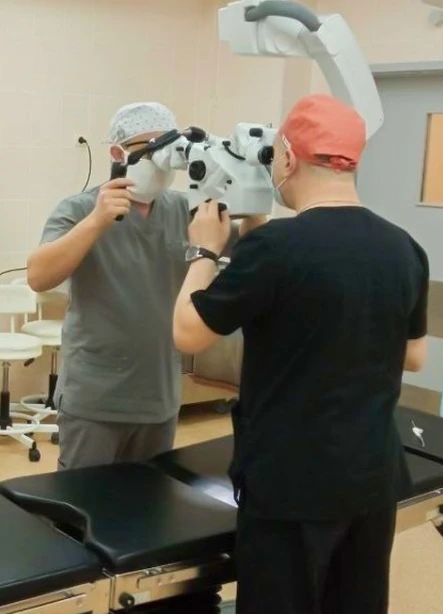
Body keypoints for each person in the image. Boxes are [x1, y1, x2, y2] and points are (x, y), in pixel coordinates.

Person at [171, 94, 429, 614]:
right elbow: (414, 356)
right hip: (371, 477)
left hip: (291, 484)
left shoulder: (277, 249)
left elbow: (188, 333)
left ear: (287, 157)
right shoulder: (404, 247)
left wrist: (204, 249)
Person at [25, 102, 192, 470]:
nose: (161, 162)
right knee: (83, 500)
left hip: (158, 398)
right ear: (118, 155)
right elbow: (38, 276)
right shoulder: (79, 209)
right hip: (95, 401)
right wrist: (97, 221)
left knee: (150, 500)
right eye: (151, 150)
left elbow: (244, 250)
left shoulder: (184, 210)